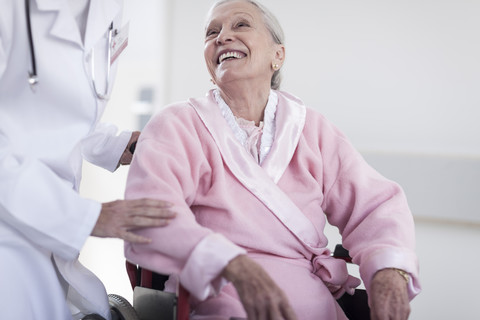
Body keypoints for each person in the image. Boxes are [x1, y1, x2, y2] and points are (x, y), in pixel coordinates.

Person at [124, 0, 421, 319]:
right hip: (218, 301)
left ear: (277, 56)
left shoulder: (312, 129)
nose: (222, 36)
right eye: (212, 32)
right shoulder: (176, 125)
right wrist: (230, 263)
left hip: (314, 305)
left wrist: (390, 271)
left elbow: (374, 204)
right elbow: (148, 216)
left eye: (240, 25)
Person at [0, 0, 176, 319]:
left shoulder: (108, 7)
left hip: (52, 240)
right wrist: (85, 217)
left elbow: (65, 108)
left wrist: (113, 143)